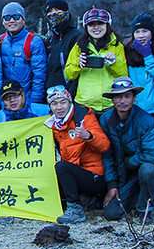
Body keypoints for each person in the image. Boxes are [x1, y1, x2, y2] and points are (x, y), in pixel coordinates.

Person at [98, 78, 154, 222]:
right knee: (112, 214)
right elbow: (107, 156)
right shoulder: (106, 120)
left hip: (150, 170)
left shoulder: (147, 121)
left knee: (147, 170)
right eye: (118, 96)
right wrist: (112, 185)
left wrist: (129, 161)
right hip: (125, 175)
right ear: (112, 100)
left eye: (127, 96)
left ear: (134, 99)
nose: (122, 101)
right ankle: (136, 197)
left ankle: (145, 209)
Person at [46, 86, 110, 224]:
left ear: (70, 102)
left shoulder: (84, 117)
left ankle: (75, 208)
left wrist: (89, 136)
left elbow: (105, 145)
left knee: (62, 167)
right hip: (76, 173)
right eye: (54, 103)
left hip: (94, 176)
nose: (59, 107)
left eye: (63, 102)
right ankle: (84, 199)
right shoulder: (53, 124)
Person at [64, 8, 128, 114]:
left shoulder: (117, 46)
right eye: (91, 24)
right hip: (85, 104)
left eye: (100, 23)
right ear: (86, 27)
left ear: (107, 25)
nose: (96, 28)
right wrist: (78, 63)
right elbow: (68, 75)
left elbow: (124, 75)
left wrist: (114, 63)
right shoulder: (79, 46)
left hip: (110, 104)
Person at [123, 14, 154, 139]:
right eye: (137, 32)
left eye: (145, 31)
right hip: (134, 108)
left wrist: (148, 56)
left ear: (152, 32)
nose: (141, 35)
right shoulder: (127, 50)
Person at [0, 1, 47, 105]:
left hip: (27, 99)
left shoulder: (33, 42)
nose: (11, 21)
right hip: (6, 100)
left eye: (16, 17)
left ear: (23, 19)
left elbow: (39, 75)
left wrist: (35, 102)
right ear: (3, 21)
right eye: (7, 18)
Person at [44, 0, 83, 95]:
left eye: (57, 9)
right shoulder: (50, 39)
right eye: (50, 11)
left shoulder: (78, 36)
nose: (53, 13)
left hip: (70, 93)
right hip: (51, 93)